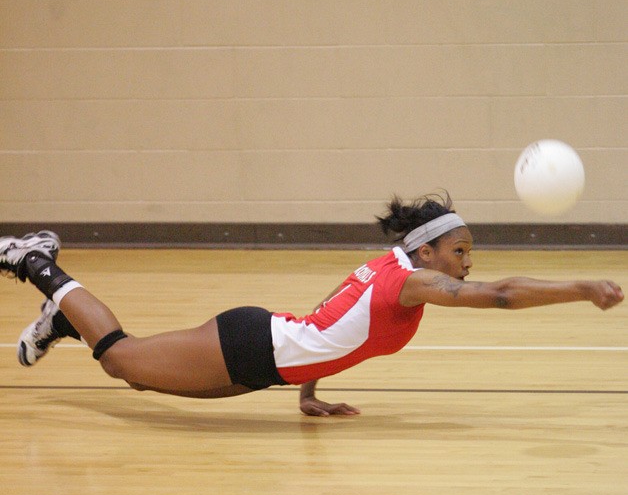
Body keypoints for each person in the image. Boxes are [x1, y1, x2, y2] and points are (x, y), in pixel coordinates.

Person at [1, 193, 623, 417]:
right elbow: (502, 296)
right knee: (121, 360)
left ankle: (64, 319)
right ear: (428, 252)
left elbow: (330, 315)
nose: (467, 265)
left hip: (264, 357)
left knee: (140, 382)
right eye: (459, 251)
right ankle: (36, 263)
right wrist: (582, 287)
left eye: (470, 253)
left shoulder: (396, 271)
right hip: (249, 344)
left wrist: (305, 389)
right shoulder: (412, 282)